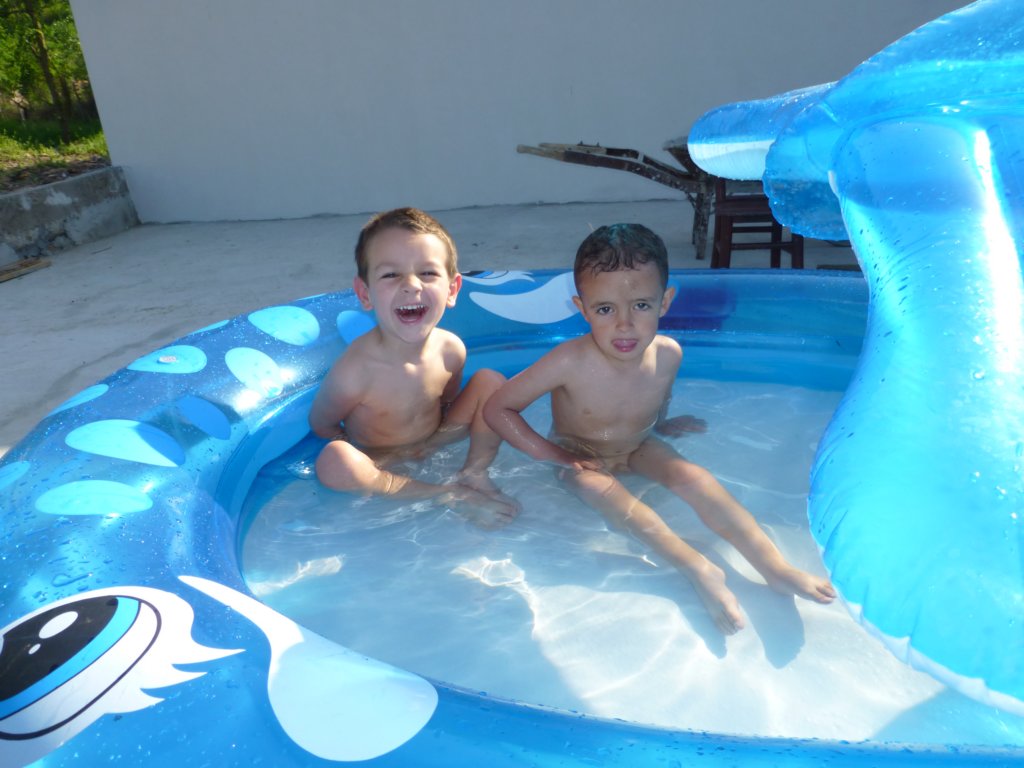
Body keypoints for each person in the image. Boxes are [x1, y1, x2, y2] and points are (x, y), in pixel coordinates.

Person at [483, 223, 835, 632]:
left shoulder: (669, 354)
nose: (624, 324)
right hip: (581, 455)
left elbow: (655, 397)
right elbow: (498, 408)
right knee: (605, 492)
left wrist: (664, 424)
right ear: (582, 308)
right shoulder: (568, 361)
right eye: (605, 309)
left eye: (641, 305)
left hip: (639, 445)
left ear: (665, 301)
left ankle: (773, 566)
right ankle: (696, 567)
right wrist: (556, 454)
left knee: (696, 479)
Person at [309, 207, 519, 528]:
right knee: (334, 460)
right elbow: (322, 425)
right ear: (365, 294)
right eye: (391, 275)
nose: (411, 285)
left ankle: (475, 471)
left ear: (452, 290)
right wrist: (368, 464)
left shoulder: (451, 350)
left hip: (435, 439)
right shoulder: (355, 372)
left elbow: (447, 402)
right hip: (381, 459)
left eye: (427, 273)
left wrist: (435, 441)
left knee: (490, 381)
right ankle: (446, 494)